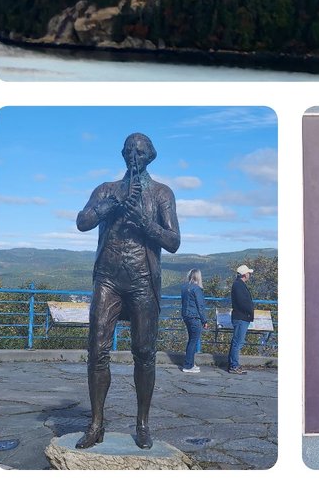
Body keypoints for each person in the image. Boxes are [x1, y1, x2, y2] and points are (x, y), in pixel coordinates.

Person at [75, 133, 180, 449]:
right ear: (122, 154)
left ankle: (143, 424)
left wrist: (145, 223)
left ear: (150, 156)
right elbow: (82, 221)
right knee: (97, 352)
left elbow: (173, 241)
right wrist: (112, 205)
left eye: (140, 150)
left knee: (145, 354)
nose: (134, 154)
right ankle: (96, 424)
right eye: (129, 150)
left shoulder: (161, 193)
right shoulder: (106, 189)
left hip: (142, 282)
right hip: (108, 279)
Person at [180, 268, 208, 374]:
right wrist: (204, 320)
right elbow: (200, 305)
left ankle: (190, 363)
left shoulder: (184, 287)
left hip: (186, 316)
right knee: (193, 341)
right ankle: (188, 365)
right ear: (198, 277)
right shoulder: (197, 289)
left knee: (191, 340)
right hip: (194, 317)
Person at [229, 263, 255, 374]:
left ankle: (234, 364)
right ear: (244, 274)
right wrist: (250, 311)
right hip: (241, 317)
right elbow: (242, 302)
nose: (249, 274)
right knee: (237, 342)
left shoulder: (238, 284)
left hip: (241, 317)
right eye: (248, 273)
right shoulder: (238, 285)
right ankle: (234, 365)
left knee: (238, 341)